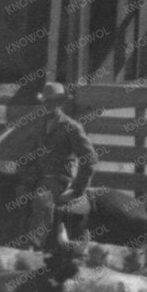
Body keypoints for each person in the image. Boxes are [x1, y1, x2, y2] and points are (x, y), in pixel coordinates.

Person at [18, 83, 97, 244]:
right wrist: (24, 170)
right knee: (14, 192)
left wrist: (78, 187)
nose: (49, 106)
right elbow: (31, 154)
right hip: (39, 176)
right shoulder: (40, 125)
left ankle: (39, 242)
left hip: (60, 178)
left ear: (61, 103)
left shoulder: (71, 127)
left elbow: (89, 158)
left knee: (42, 198)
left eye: (54, 102)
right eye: (46, 102)